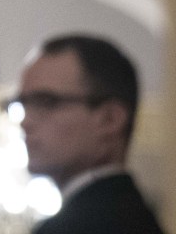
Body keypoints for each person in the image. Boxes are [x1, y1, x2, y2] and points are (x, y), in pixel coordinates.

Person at [13, 33, 167, 234]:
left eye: (46, 102)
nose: (25, 122)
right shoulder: (135, 216)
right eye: (23, 104)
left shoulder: (76, 228)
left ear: (110, 119)